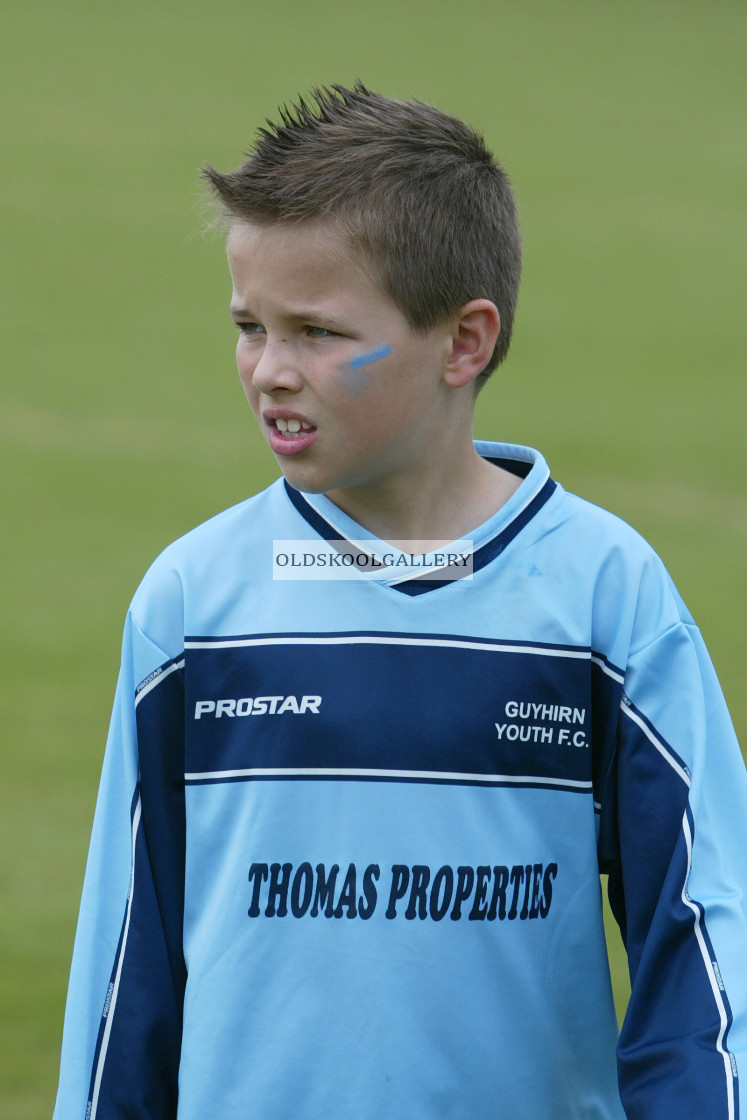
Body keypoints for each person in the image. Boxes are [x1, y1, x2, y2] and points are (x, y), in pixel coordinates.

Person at [53, 83, 746, 1120]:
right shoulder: (196, 604)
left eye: (319, 332)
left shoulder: (606, 596)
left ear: (464, 342)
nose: (270, 371)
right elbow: (126, 969)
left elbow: (704, 941)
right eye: (251, 325)